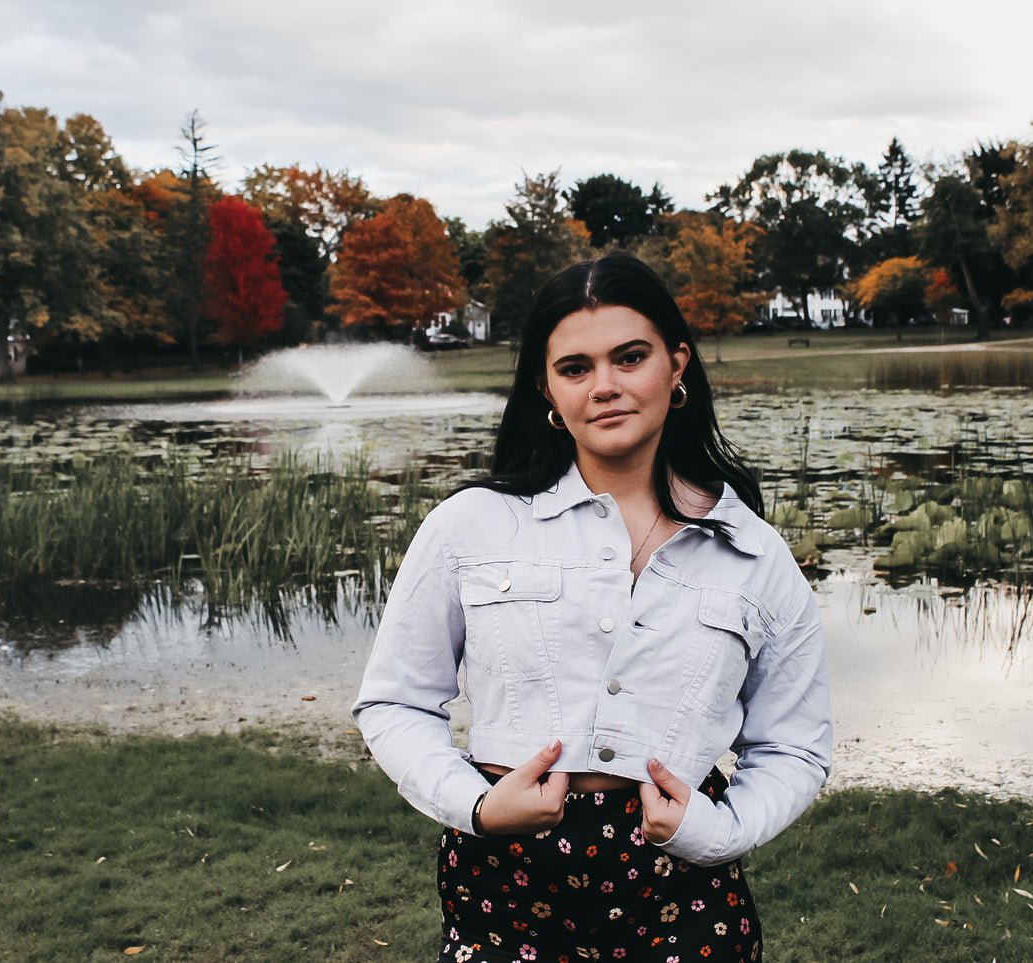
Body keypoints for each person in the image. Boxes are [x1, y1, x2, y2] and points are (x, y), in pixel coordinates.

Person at [353, 252, 831, 962]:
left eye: (628, 357)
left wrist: (720, 830)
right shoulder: (471, 526)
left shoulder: (752, 554)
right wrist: (476, 806)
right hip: (503, 889)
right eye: (575, 368)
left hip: (683, 893)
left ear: (675, 367)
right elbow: (395, 702)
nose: (603, 385)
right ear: (546, 391)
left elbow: (793, 743)